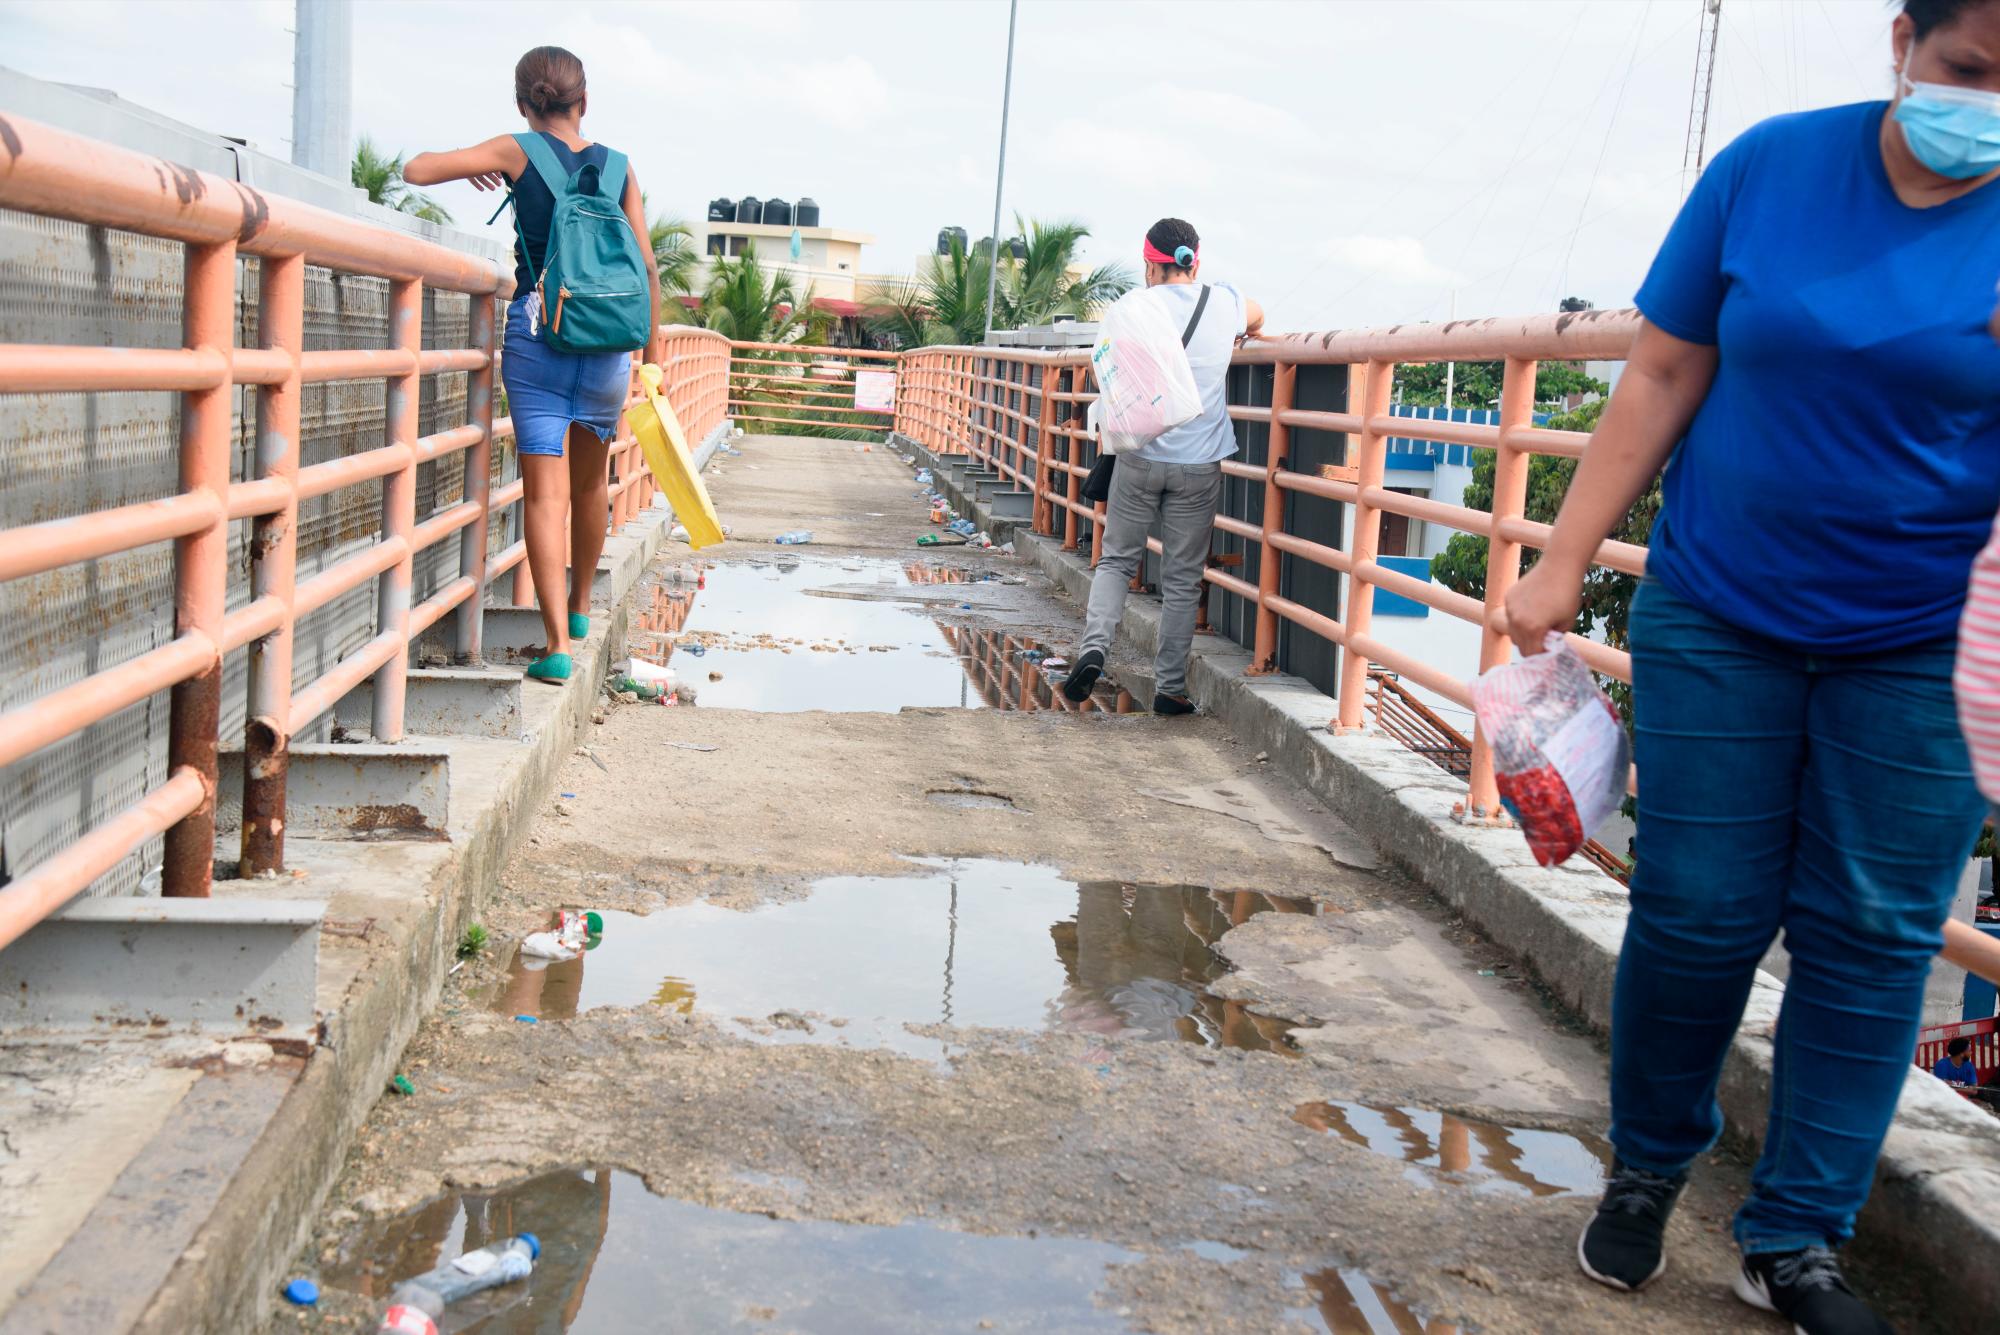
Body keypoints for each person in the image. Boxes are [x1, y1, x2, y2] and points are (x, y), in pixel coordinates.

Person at [1500, 2, 2000, 1332]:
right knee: (1698, 908)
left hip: (1930, 641)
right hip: (1725, 611)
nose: (1987, 107)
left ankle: (1795, 1237)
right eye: (1969, 72)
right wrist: (1563, 559)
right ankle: (1652, 1161)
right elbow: (1663, 367)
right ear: (1904, 42)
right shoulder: (1770, 169)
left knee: (1877, 931)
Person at [402, 46, 664, 682]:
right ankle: (578, 608)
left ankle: (557, 647)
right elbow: (649, 267)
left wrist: (480, 168)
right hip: (606, 344)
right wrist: (649, 359)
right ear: (584, 102)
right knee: (591, 484)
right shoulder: (621, 167)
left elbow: (414, 170)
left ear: (523, 105)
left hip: (539, 336)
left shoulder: (515, 149)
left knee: (545, 499)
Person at [1061, 219, 1262, 714]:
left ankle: (1093, 650)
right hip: (1199, 462)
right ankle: (1170, 689)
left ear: (1150, 265)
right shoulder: (1222, 302)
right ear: (1195, 260)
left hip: (1139, 454)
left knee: (1116, 561)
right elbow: (1257, 314)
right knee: (1181, 578)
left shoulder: (1133, 308)